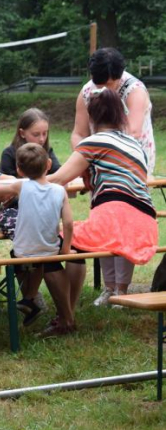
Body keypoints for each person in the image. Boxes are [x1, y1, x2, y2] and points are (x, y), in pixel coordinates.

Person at [49, 88, 157, 315]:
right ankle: (118, 291)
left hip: (112, 219)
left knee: (62, 238)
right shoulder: (134, 144)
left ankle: (68, 307)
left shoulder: (94, 142)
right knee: (109, 230)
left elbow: (58, 179)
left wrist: (15, 184)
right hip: (146, 225)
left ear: (92, 116)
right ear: (120, 114)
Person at [0, 144, 75, 335]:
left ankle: (30, 298)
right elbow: (68, 224)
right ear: (48, 164)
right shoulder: (60, 191)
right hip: (49, 249)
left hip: (22, 251)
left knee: (30, 258)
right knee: (48, 260)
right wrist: (66, 249)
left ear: (19, 170)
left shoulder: (21, 185)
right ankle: (64, 316)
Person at [0, 109, 61, 315]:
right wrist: (38, 186)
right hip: (16, 212)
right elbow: (5, 190)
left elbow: (59, 174)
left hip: (41, 211)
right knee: (27, 248)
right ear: (22, 133)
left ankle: (30, 297)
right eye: (36, 134)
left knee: (36, 247)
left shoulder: (46, 151)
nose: (42, 139)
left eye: (45, 133)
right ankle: (31, 296)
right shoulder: (10, 154)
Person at [71, 48, 155, 176]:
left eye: (108, 84)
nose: (102, 88)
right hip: (97, 161)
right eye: (98, 84)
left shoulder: (134, 90)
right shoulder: (87, 92)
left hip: (132, 163)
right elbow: (79, 134)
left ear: (119, 76)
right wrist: (83, 162)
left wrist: (103, 155)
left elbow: (133, 132)